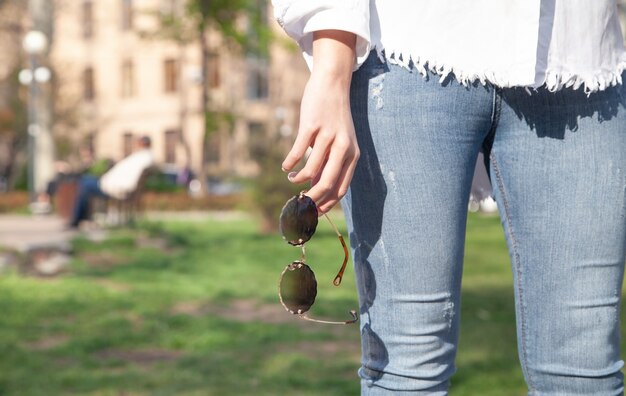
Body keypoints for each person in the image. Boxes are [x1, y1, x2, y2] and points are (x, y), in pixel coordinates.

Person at [272, 1, 626, 394]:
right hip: (409, 49)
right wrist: (331, 66)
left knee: (584, 375)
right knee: (408, 371)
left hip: (578, 58)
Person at [68, 135, 154, 228]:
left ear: (141, 144)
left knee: (85, 183)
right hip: (112, 184)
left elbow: (129, 179)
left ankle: (77, 220)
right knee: (86, 181)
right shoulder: (144, 157)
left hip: (115, 188)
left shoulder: (141, 158)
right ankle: (81, 219)